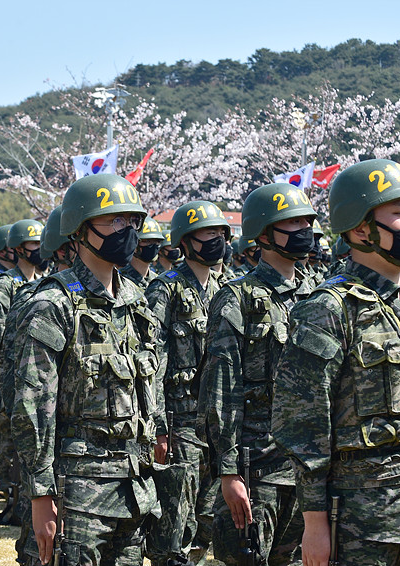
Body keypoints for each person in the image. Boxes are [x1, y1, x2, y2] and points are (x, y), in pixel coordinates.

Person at [272, 159, 400, 566]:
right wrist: (314, 524)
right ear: (360, 229)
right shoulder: (328, 310)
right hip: (358, 518)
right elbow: (302, 427)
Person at [12, 174, 161, 566]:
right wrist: (41, 494)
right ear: (80, 230)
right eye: (114, 221)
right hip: (76, 495)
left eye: (132, 221)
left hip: (133, 490)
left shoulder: (136, 301)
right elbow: (32, 407)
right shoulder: (54, 304)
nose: (126, 231)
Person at [198, 182, 317, 566]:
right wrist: (228, 472)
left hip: (306, 467)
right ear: (263, 235)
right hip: (257, 467)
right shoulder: (238, 298)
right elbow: (221, 390)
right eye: (291, 222)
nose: (303, 230)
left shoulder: (317, 295)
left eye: (306, 221)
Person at [145, 200, 229, 566]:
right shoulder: (166, 289)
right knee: (176, 518)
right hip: (181, 421)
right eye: (207, 234)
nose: (216, 240)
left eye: (220, 233)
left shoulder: (227, 288)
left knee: (212, 513)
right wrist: (159, 427)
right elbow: (153, 362)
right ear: (186, 241)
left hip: (221, 422)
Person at [0, 218, 44, 525]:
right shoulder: (4, 285)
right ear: (19, 249)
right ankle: (13, 502)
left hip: (36, 368)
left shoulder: (46, 280)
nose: (39, 250)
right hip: (10, 371)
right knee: (10, 438)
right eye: (34, 245)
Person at [120, 216, 164, 289]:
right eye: (146, 241)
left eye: (157, 241)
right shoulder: (120, 279)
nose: (153, 245)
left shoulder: (158, 280)